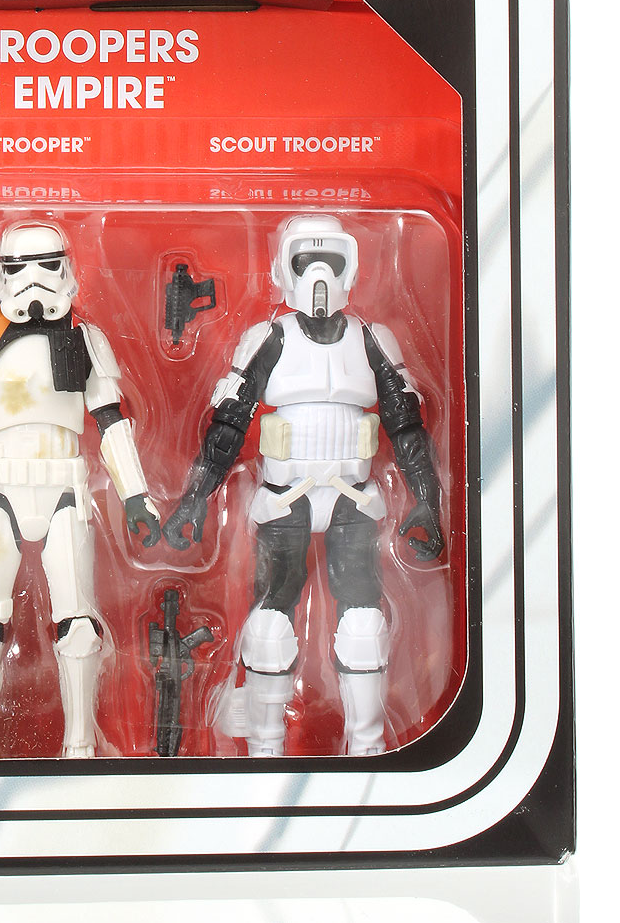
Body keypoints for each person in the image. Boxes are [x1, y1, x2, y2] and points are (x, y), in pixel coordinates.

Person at [165, 213, 444, 756]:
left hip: (352, 498)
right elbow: (228, 424)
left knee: (363, 622)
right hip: (284, 498)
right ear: (282, 270)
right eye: (305, 260)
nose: (319, 274)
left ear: (351, 267)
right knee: (271, 622)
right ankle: (264, 749)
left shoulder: (371, 339)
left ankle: (366, 749)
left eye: (331, 260)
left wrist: (427, 499)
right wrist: (196, 498)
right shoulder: (269, 339)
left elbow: (407, 425)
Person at [0, 221, 161, 759]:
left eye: (46, 266)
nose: (33, 280)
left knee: (78, 620)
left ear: (65, 270)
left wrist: (137, 495)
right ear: (1, 274)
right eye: (19, 268)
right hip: (0, 490)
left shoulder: (85, 339)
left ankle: (80, 748)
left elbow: (111, 421)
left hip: (65, 490)